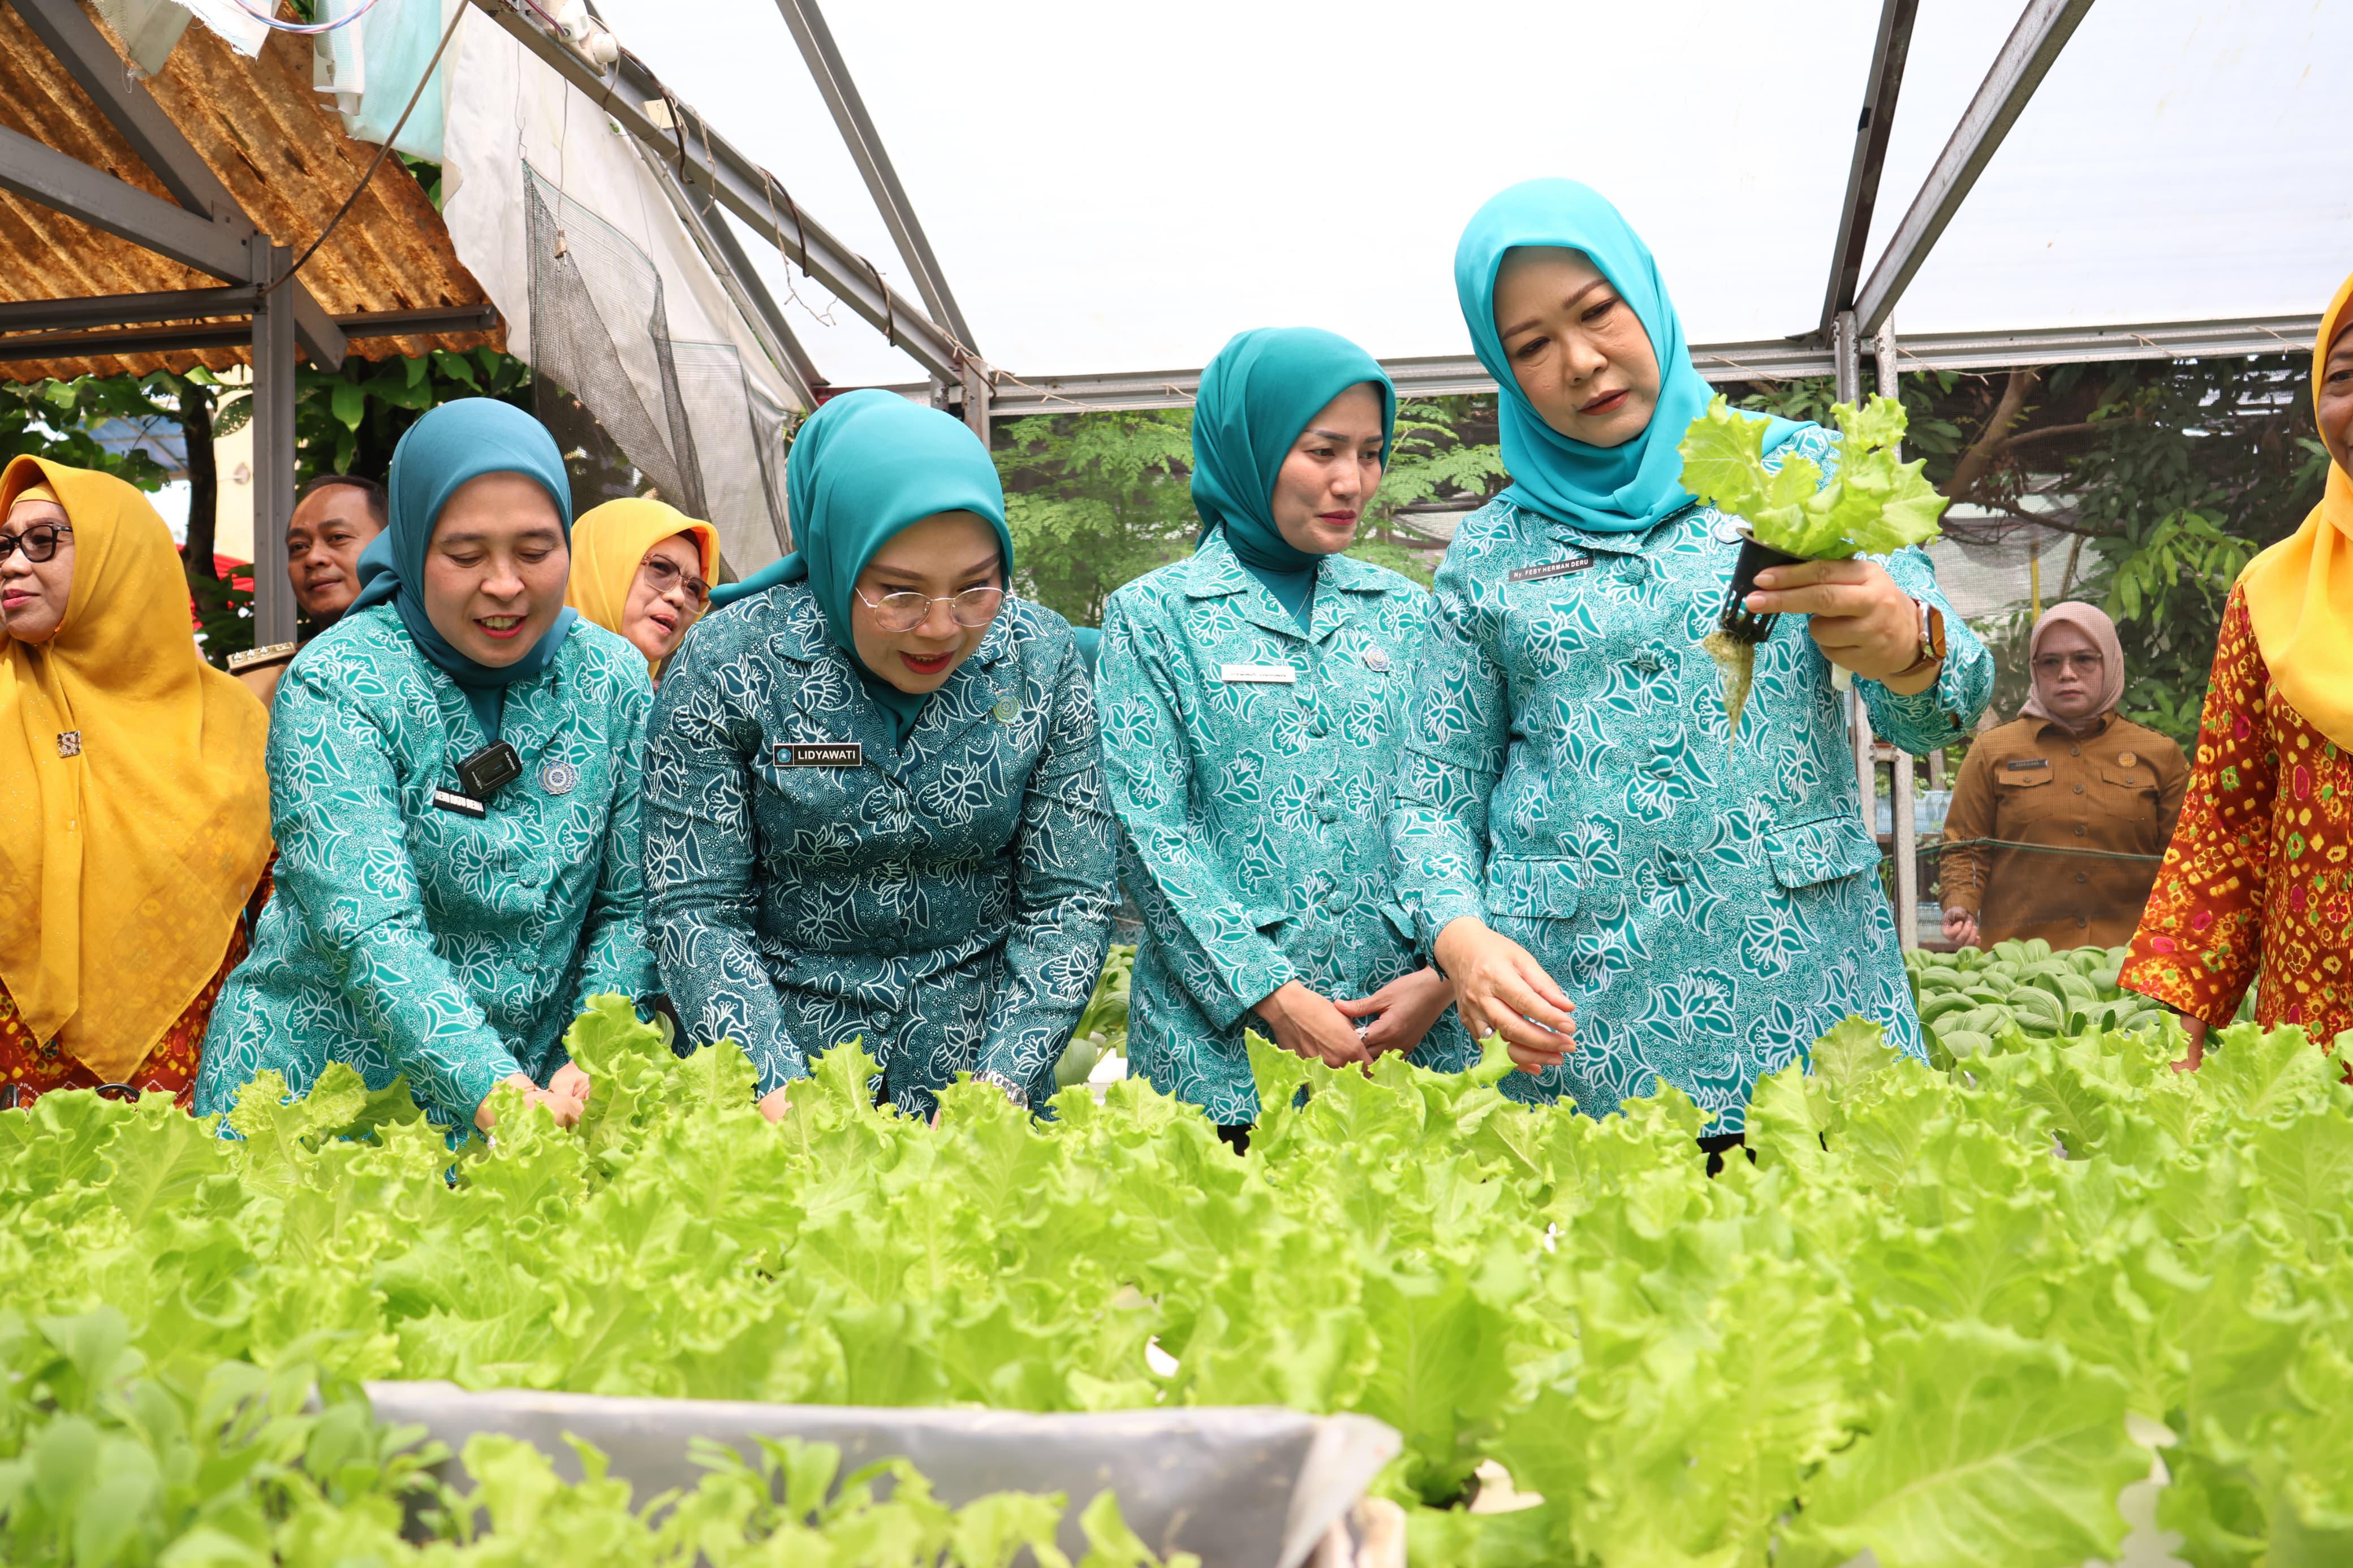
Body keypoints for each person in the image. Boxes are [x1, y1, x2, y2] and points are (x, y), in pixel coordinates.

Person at [1387, 179, 1992, 1143]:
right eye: (1532, 346)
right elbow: (1430, 796)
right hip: (1578, 1024)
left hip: (1800, 998)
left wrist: (1907, 643)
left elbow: (1945, 709)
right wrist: (1461, 937)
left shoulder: (1795, 473)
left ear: (1649, 297)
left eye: (1597, 312)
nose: (1582, 362)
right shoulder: (1490, 552)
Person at [644, 389, 1115, 1124]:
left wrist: (1003, 1081)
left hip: (984, 1073)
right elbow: (697, 906)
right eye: (898, 594)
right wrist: (771, 1086)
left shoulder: (1039, 659)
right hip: (783, 1076)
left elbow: (1069, 900)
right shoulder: (730, 661)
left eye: (975, 589)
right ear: (837, 558)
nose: (939, 628)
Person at [194, 400, 655, 1135]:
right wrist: (491, 1088)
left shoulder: (611, 680)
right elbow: (366, 921)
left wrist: (595, 1048)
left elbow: (630, 904)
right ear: (411, 548)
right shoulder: (339, 681)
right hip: (322, 1104)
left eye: (534, 552)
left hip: (539, 1100)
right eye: (466, 555)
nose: (504, 584)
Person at [1096, 327, 1469, 1138]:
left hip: (1402, 1041)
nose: (1352, 482)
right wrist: (1272, 992)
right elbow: (1148, 832)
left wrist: (1444, 975)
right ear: (1249, 445)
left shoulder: (1406, 611)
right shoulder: (1156, 618)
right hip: (1222, 1057)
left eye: (1371, 453)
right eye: (1322, 450)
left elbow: (1457, 800)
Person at [2121, 271, 2353, 1068]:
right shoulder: (2270, 592)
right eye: (2345, 377)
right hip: (2316, 1049)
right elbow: (2229, 825)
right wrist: (2180, 1016)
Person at [0, 458, 273, 1109]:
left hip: (199, 1097)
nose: (12, 563)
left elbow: (283, 917)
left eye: (43, 540)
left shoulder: (232, 723)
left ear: (119, 556)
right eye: (4, 543)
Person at [1939, 603, 2187, 951]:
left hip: (2131, 966)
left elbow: (2185, 863)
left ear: (2110, 663)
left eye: (2084, 659)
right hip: (2018, 969)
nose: (2066, 673)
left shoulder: (2160, 754)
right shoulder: (1993, 751)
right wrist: (1960, 905)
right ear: (2034, 669)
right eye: (2050, 662)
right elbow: (1965, 848)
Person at [230, 474, 389, 707]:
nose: (313, 558)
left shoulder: (445, 667)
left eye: (337, 537)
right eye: (299, 547)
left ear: (392, 546)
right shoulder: (256, 687)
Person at [563, 496, 721, 679]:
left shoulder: (661, 705)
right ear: (599, 566)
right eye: (660, 568)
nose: (679, 598)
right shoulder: (527, 677)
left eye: (693, 589)